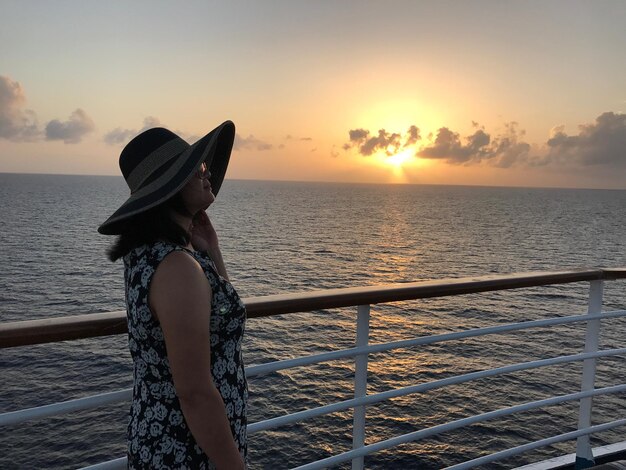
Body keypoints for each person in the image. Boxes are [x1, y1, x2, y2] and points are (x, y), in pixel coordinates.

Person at [98, 121, 247, 469]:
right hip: (187, 448)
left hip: (173, 437)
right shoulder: (177, 267)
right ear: (170, 187)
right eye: (197, 168)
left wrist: (212, 249)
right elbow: (194, 392)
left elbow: (220, 312)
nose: (206, 173)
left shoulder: (157, 255)